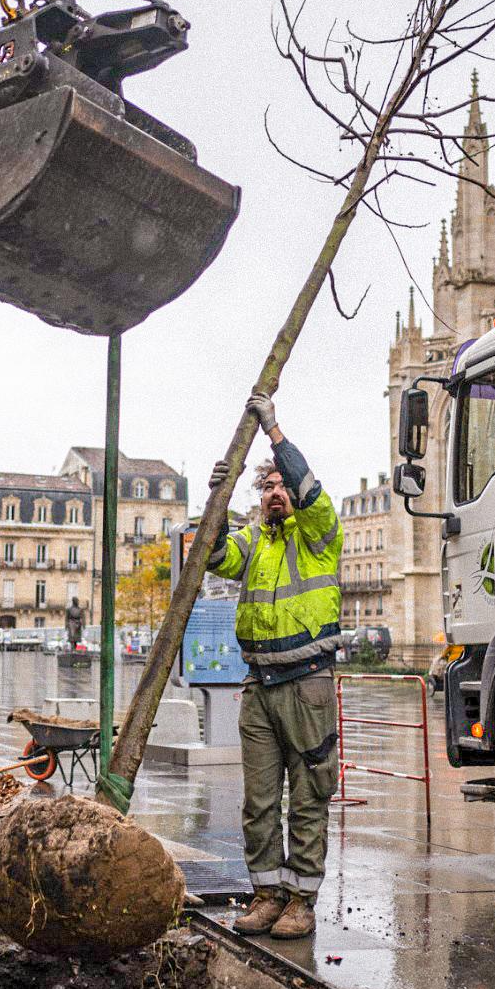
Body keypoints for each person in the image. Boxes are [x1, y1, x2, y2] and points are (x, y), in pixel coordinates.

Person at [206, 393, 343, 941]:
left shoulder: (319, 535)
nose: (275, 494)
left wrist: (274, 431)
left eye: (279, 486)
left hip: (307, 683)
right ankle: (266, 894)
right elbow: (215, 555)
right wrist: (218, 498)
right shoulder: (254, 541)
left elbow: (307, 485)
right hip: (259, 687)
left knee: (309, 797)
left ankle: (301, 901)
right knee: (260, 801)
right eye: (265, 489)